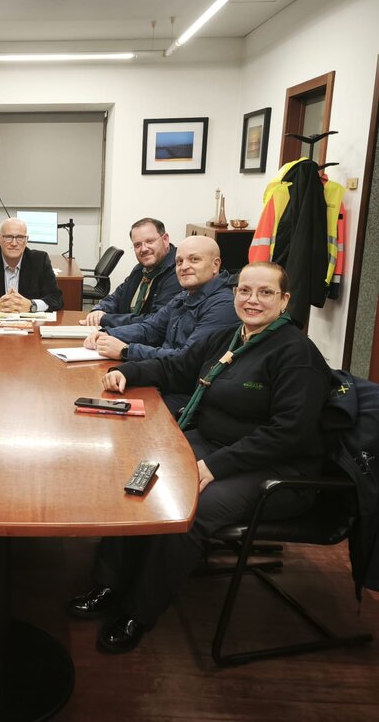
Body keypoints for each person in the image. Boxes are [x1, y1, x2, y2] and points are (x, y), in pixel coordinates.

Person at [68, 262, 332, 654]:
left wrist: (213, 466)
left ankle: (138, 612)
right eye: (245, 291)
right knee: (137, 476)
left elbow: (289, 433)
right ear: (234, 294)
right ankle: (109, 583)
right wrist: (130, 372)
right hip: (212, 444)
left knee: (190, 509)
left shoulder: (296, 353)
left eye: (265, 292)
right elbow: (178, 367)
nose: (252, 300)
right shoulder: (230, 337)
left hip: (277, 468)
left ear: (284, 300)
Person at [84, 236, 237, 366]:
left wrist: (126, 350)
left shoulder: (224, 305)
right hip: (160, 371)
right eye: (179, 261)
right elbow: (150, 328)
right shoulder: (186, 294)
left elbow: (186, 359)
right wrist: (107, 334)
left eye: (194, 259)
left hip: (182, 386)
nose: (184, 267)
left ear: (215, 265)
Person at [80, 217, 180, 328]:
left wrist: (106, 319)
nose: (144, 249)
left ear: (165, 239)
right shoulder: (141, 268)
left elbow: (155, 322)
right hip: (123, 332)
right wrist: (99, 310)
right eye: (137, 245)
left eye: (150, 241)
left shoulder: (178, 273)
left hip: (142, 337)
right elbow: (117, 296)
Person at [0, 217, 63, 313]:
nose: (14, 243)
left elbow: (56, 298)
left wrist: (32, 305)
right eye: (8, 237)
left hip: (29, 324)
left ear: (26, 240)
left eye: (20, 237)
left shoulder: (39, 260)